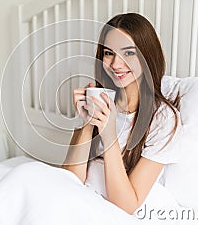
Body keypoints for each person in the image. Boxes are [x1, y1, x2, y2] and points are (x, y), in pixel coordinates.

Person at [62, 13, 182, 215]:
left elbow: (126, 205)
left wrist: (109, 134)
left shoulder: (163, 119)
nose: (116, 64)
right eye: (109, 53)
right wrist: (87, 123)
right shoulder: (101, 100)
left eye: (128, 53)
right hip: (78, 198)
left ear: (147, 56)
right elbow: (68, 180)